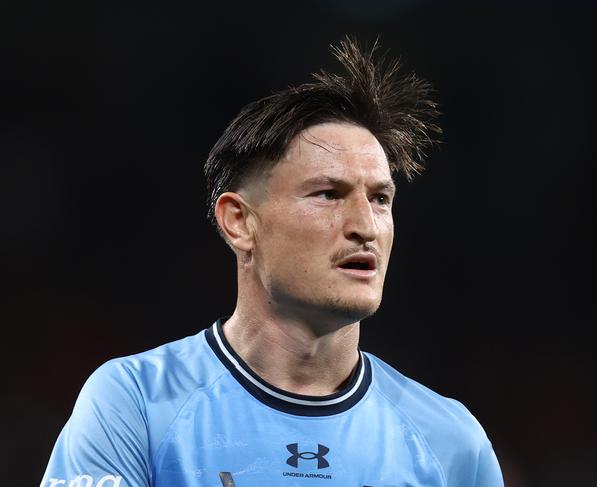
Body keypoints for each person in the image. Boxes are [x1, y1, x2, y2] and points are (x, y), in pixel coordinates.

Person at [40, 37, 504, 487]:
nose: (366, 225)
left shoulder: (451, 443)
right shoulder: (137, 404)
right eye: (328, 194)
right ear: (240, 222)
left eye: (381, 199)